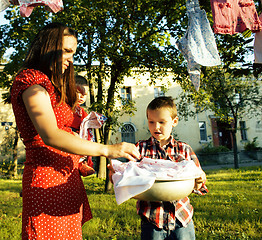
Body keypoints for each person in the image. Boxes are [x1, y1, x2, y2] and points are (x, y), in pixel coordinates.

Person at [10, 22, 140, 240]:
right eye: (67, 51)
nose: (71, 60)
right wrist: (108, 149)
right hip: (46, 179)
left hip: (66, 180)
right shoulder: (31, 81)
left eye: (74, 53)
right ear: (48, 48)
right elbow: (50, 134)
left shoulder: (52, 86)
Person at [135, 96, 208, 240]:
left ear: (174, 121)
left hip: (182, 219)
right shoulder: (139, 149)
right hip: (152, 220)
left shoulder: (184, 150)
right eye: (151, 122)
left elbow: (198, 185)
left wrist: (199, 181)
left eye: (162, 122)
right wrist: (117, 175)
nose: (156, 127)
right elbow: (129, 181)